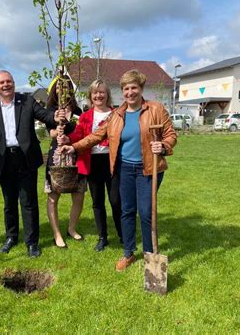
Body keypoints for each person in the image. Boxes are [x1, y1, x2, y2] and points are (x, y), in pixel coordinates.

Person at [61, 70, 177, 271]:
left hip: (149, 169)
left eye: (134, 88)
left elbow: (170, 134)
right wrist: (74, 147)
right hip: (124, 169)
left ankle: (150, 256)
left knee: (146, 211)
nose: (130, 92)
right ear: (122, 92)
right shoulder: (117, 115)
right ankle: (128, 253)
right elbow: (96, 136)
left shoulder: (156, 109)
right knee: (127, 211)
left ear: (141, 89)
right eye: (126, 89)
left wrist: (164, 146)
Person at [0, 70, 64, 258]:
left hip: (25, 158)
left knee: (28, 202)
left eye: (9, 81)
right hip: (3, 160)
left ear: (14, 83)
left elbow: (45, 116)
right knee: (9, 203)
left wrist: (55, 117)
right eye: (2, 82)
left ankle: (32, 242)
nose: (6, 85)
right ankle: (11, 236)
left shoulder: (26, 101)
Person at [61, 79, 122, 252]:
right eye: (95, 92)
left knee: (116, 200)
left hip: (112, 162)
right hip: (92, 162)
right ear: (90, 96)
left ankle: (122, 234)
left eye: (102, 92)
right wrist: (68, 139)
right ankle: (103, 237)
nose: (98, 95)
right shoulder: (86, 116)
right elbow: (78, 134)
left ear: (107, 95)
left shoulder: (116, 114)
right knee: (97, 202)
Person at [44, 76, 85, 249]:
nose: (64, 89)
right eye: (60, 86)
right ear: (55, 89)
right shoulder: (51, 111)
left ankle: (71, 228)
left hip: (76, 155)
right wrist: (57, 132)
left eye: (67, 86)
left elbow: (83, 132)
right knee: (53, 196)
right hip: (57, 155)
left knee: (79, 195)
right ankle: (57, 233)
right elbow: (50, 133)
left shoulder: (78, 111)